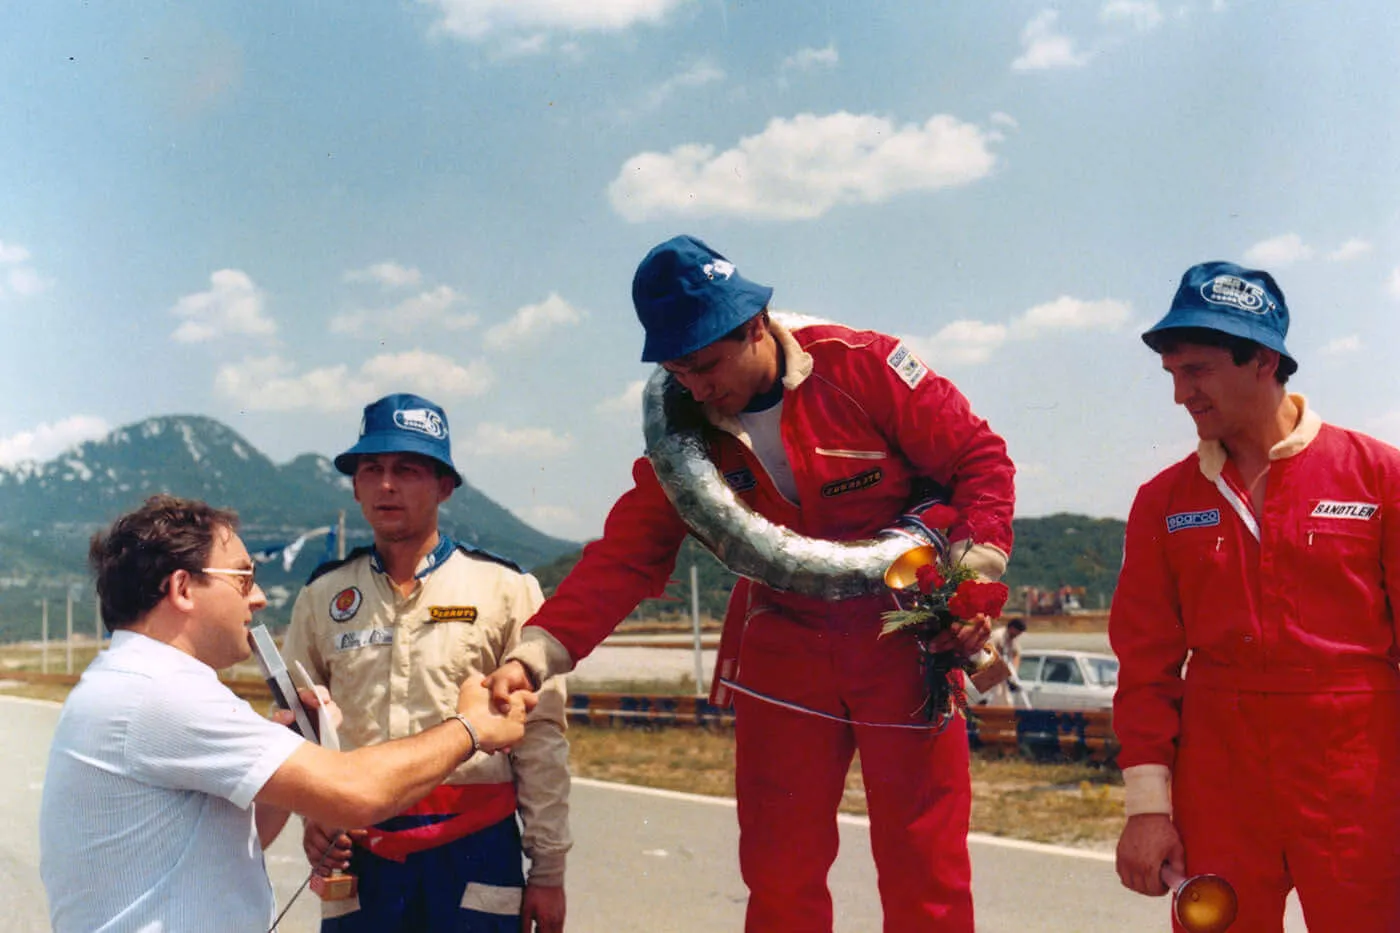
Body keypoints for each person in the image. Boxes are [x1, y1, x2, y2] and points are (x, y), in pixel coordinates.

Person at [486, 235, 1016, 932]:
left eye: (707, 364)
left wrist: (972, 584)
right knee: (779, 870)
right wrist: (536, 652)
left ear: (754, 324)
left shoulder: (864, 365)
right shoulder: (683, 431)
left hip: (903, 634)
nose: (698, 387)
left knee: (927, 866)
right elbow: (629, 550)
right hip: (784, 647)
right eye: (679, 371)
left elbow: (980, 460)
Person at [38, 494, 531, 933]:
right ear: (183, 588)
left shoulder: (133, 679)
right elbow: (359, 793)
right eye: (244, 578)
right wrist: (471, 727)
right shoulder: (161, 692)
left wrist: (295, 746)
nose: (259, 597)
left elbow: (237, 838)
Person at [1111, 261, 1400, 931]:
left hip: (1359, 770)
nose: (1182, 394)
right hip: (1221, 774)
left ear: (1264, 360)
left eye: (1198, 371)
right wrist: (1147, 808)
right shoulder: (1163, 501)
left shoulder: (1378, 476)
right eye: (1174, 375)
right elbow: (1145, 665)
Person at [281, 393, 570, 933]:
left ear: (444, 486)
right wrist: (314, 815)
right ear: (356, 485)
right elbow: (299, 727)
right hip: (362, 856)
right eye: (373, 469)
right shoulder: (322, 596)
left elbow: (542, 733)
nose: (387, 485)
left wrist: (548, 870)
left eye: (408, 470)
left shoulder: (505, 588)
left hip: (474, 851)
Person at [985, 616, 1028, 707]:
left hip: (1003, 673)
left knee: (1007, 699)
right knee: (995, 697)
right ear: (1012, 628)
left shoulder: (1013, 639)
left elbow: (1016, 654)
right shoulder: (998, 635)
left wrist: (1013, 671)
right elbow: (987, 652)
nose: (1018, 635)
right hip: (991, 673)